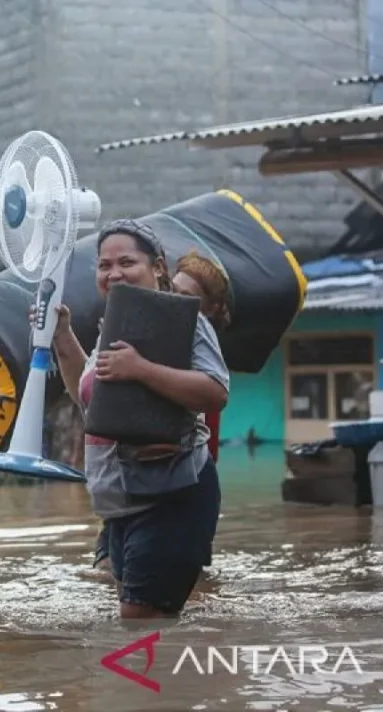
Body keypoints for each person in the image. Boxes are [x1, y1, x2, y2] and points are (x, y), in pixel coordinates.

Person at [53, 219, 228, 618]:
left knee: (141, 627)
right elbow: (91, 403)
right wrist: (61, 335)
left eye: (126, 262)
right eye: (104, 265)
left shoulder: (183, 321)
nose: (114, 273)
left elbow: (216, 391)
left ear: (158, 267)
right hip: (120, 504)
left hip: (170, 495)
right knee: (140, 627)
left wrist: (141, 369)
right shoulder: (115, 326)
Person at [171, 249, 231, 464]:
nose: (174, 300)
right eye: (172, 290)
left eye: (186, 297)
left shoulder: (203, 356)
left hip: (194, 463)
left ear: (210, 309)